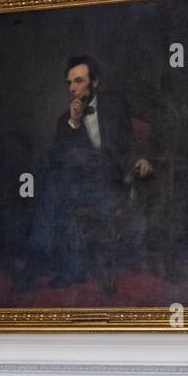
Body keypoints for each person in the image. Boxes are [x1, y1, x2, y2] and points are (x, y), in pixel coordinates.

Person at [33, 55, 154, 293]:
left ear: (95, 82)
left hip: (113, 184)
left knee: (54, 191)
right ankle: (68, 269)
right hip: (80, 186)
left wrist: (139, 158)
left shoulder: (115, 106)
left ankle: (38, 260)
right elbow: (59, 160)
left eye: (79, 81)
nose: (73, 88)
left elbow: (129, 143)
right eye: (69, 83)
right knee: (54, 185)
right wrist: (74, 124)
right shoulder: (64, 121)